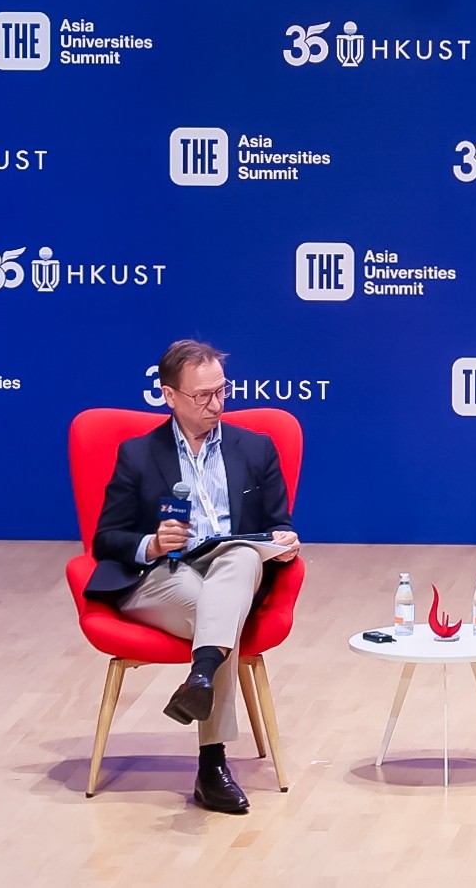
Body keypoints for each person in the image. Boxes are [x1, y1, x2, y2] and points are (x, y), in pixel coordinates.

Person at [85, 340, 301, 814]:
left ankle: (201, 683)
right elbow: (105, 538)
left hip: (229, 568)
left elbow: (277, 521)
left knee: (243, 557)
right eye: (203, 396)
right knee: (219, 614)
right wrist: (152, 542)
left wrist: (285, 540)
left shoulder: (255, 448)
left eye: (222, 391)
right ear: (169, 395)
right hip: (162, 575)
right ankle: (210, 763)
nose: (217, 404)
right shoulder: (139, 455)